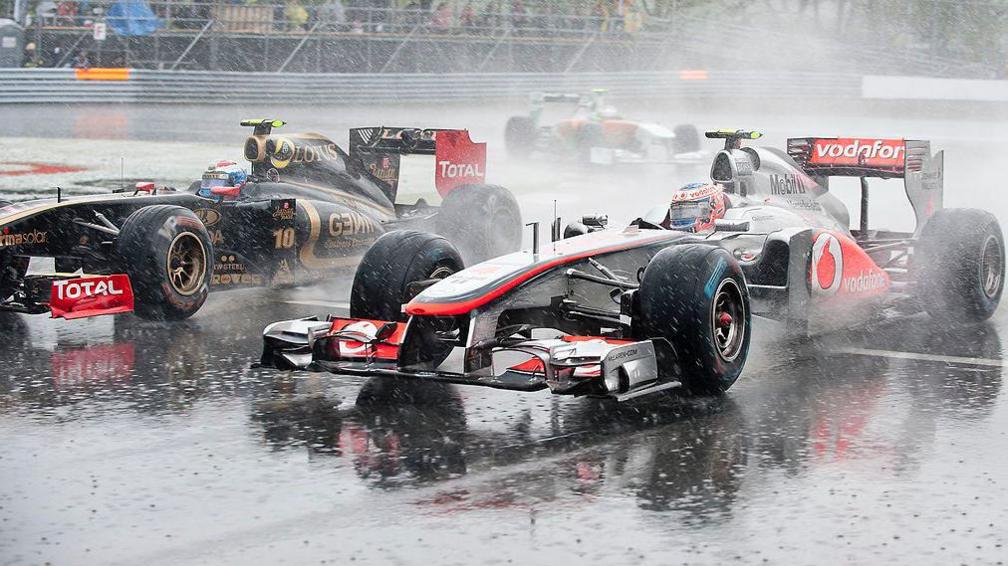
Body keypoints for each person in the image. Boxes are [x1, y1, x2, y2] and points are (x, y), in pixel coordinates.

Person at [660, 182, 730, 232]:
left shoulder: (728, 234)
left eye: (689, 212)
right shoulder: (665, 231)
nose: (681, 218)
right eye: (678, 213)